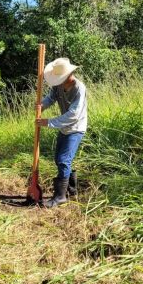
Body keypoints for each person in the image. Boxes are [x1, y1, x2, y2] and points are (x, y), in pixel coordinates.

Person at [36, 57, 87, 208]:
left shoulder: (79, 89)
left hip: (76, 128)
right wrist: (42, 105)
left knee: (64, 160)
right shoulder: (58, 86)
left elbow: (74, 115)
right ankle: (71, 189)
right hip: (64, 127)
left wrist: (49, 122)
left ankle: (60, 197)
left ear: (68, 75)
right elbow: (51, 98)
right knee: (59, 159)